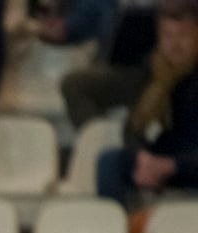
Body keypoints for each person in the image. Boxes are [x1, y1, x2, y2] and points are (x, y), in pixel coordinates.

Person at [84, 0, 197, 204]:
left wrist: (172, 165)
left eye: (183, 36)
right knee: (110, 162)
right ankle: (121, 230)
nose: (175, 44)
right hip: (156, 161)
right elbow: (132, 129)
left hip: (188, 166)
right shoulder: (152, 74)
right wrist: (141, 157)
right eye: (168, 36)